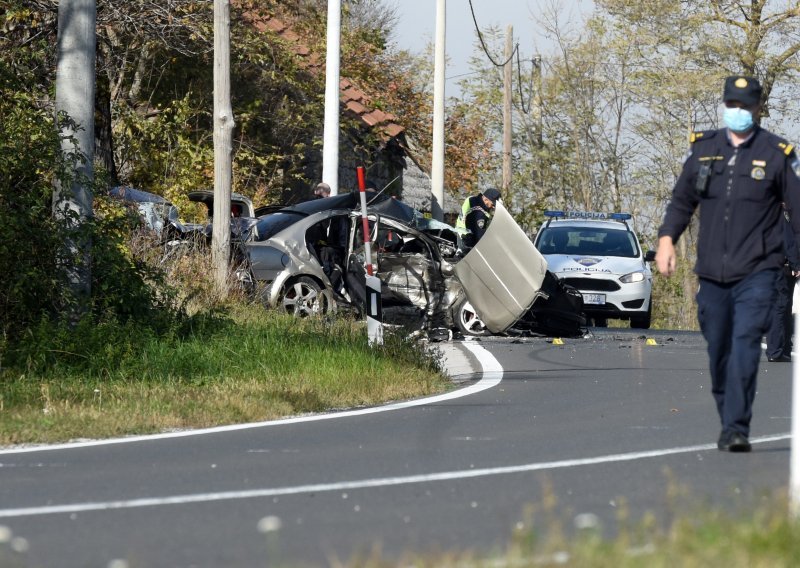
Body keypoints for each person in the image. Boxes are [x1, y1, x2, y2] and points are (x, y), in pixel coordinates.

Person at [656, 75, 800, 453]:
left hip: (760, 270)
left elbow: (798, 213)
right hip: (713, 272)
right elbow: (681, 201)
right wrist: (667, 239)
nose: (737, 112)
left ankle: (736, 427)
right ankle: (729, 416)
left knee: (745, 344)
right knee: (719, 347)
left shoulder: (776, 153)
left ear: (756, 110)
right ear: (725, 105)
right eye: (731, 105)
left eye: (745, 106)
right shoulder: (705, 150)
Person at [766, 205, 800, 362]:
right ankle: (776, 350)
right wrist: (795, 264)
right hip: (780, 268)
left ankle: (784, 347)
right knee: (780, 307)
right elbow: (789, 242)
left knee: (783, 307)